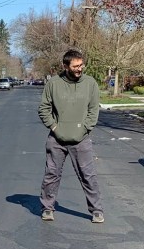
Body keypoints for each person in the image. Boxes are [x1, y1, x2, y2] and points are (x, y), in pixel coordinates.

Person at [38, 49, 103, 223]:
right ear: (65, 66)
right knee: (51, 175)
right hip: (56, 139)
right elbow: (44, 109)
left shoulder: (90, 83)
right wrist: (54, 127)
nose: (79, 69)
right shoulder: (53, 84)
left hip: (81, 140)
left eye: (81, 65)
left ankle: (96, 210)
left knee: (88, 175)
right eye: (75, 66)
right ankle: (47, 208)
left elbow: (93, 110)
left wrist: (85, 129)